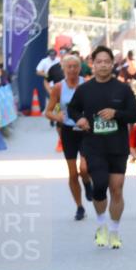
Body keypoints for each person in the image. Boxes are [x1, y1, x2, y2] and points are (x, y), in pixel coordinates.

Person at [67, 45, 136, 249]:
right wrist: (80, 119)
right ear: (93, 64)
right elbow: (72, 109)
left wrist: (116, 113)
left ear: (112, 64)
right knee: (99, 185)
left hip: (117, 146)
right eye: (99, 62)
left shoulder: (122, 89)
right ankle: (101, 225)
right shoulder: (85, 90)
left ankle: (114, 231)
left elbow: (135, 115)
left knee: (116, 189)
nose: (103, 65)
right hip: (93, 145)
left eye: (106, 61)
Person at [44, 54, 93, 220]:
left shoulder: (87, 84)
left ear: (80, 68)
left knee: (85, 168)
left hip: (85, 130)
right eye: (69, 67)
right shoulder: (58, 87)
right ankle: (79, 206)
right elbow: (48, 111)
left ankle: (87, 183)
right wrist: (57, 117)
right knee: (72, 173)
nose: (72, 69)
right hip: (68, 131)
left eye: (75, 66)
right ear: (63, 69)